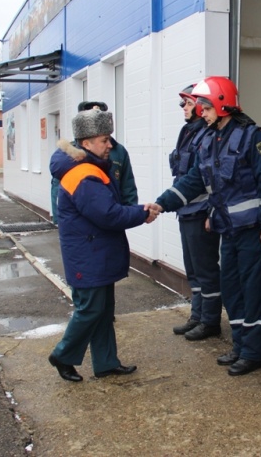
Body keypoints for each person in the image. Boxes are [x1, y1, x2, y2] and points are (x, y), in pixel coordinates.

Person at [154, 77, 261, 376]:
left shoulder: (253, 137)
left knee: (254, 292)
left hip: (253, 231)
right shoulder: (211, 139)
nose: (202, 112)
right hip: (228, 229)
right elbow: (198, 180)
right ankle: (240, 346)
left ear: (223, 104)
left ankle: (254, 353)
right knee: (232, 289)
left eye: (206, 106)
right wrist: (162, 203)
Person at [48, 108, 158, 382]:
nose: (110, 145)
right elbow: (108, 214)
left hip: (95, 253)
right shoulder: (84, 175)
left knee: (103, 311)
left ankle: (106, 362)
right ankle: (62, 355)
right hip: (90, 255)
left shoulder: (85, 168)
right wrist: (142, 212)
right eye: (104, 140)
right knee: (92, 310)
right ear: (86, 143)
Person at [168, 85, 222, 341]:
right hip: (186, 211)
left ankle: (210, 321)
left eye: (188, 103)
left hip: (201, 211)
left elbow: (202, 177)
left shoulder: (208, 135)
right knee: (192, 270)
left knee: (205, 269)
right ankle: (197, 315)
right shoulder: (188, 132)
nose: (184, 108)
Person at [76, 101, 138, 205]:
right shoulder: (71, 154)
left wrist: (130, 216)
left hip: (115, 216)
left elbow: (128, 189)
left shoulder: (119, 151)